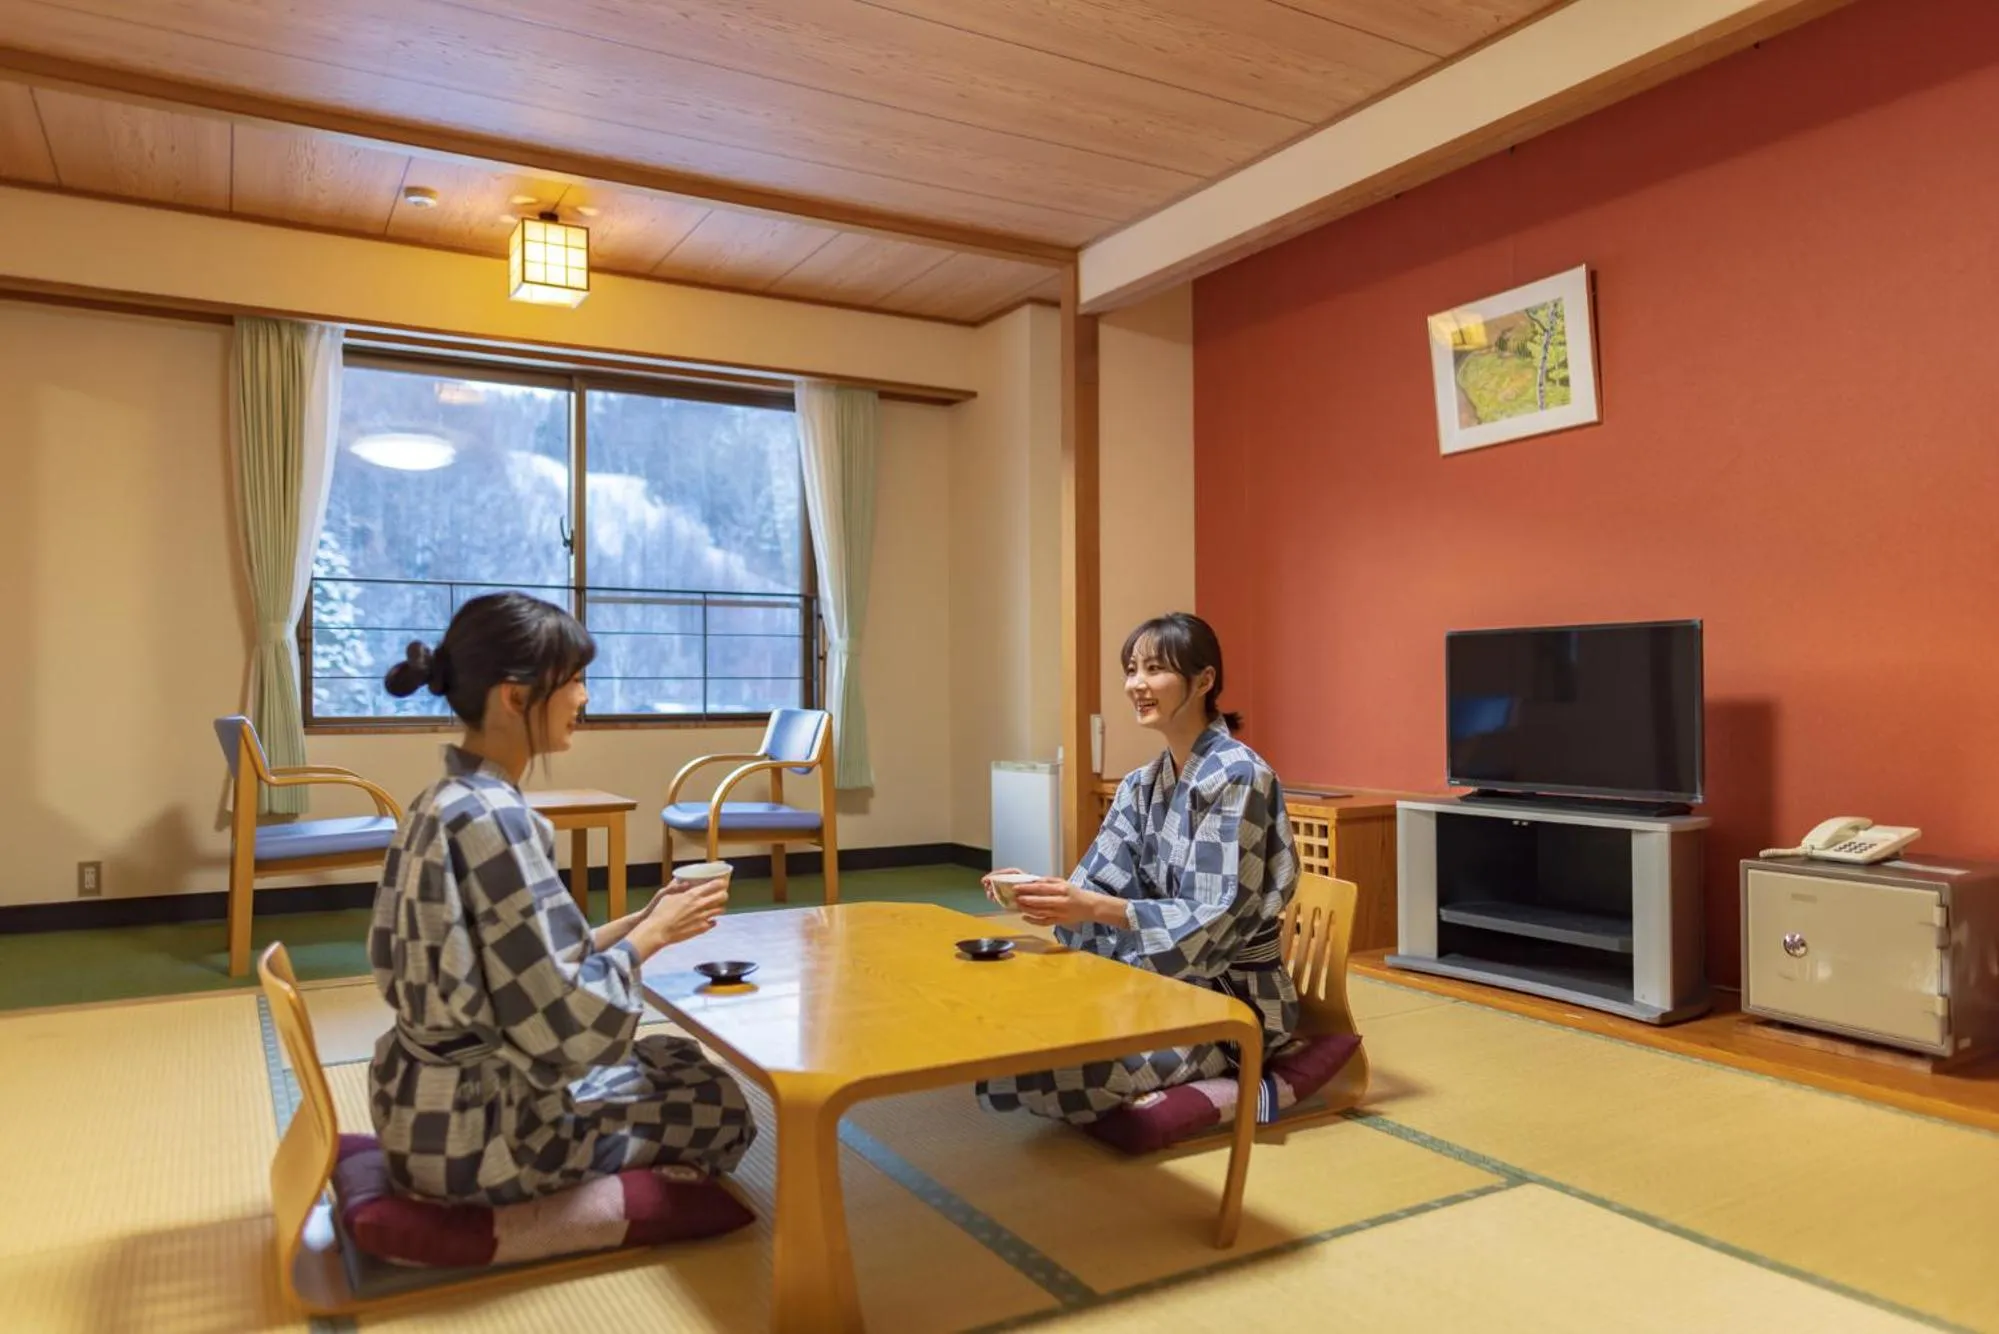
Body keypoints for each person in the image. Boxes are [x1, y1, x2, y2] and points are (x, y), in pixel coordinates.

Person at [366, 591, 756, 1204]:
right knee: (723, 1105)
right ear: (515, 696)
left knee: (674, 1056)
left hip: (414, 1109)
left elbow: (527, 962)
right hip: (483, 1138)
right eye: (574, 681)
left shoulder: (439, 800)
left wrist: (647, 918)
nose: (584, 698)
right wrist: (652, 939)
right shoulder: (498, 820)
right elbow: (564, 1025)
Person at [976, 612, 1299, 1124]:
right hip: (1154, 985)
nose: (1137, 685)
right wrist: (1047, 895)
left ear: (1205, 680)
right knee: (1006, 1040)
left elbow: (1212, 923)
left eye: (1154, 669)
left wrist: (1100, 909)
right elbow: (1096, 887)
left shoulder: (1238, 776)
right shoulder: (1140, 785)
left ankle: (1222, 1072)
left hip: (1227, 1002)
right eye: (1131, 670)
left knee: (1065, 1073)